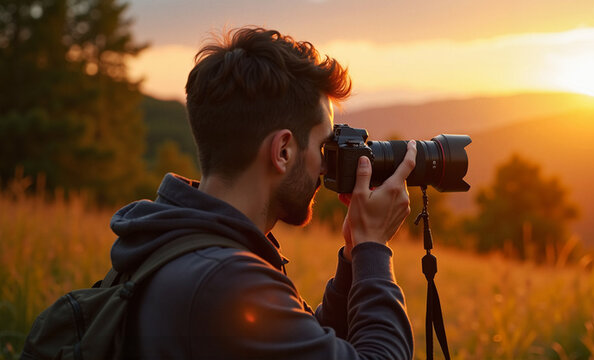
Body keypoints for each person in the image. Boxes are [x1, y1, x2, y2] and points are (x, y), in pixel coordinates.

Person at [109, 27, 415, 359]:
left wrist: (354, 257)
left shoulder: (174, 245)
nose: (327, 167)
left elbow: (301, 345)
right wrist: (373, 246)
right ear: (283, 151)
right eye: (323, 146)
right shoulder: (226, 281)